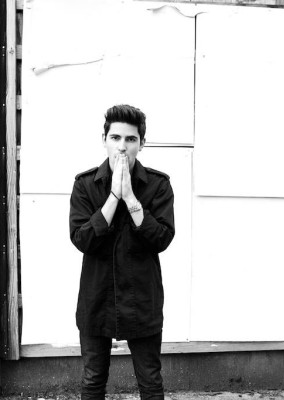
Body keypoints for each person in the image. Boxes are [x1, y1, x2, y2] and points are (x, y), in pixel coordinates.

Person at [69, 104, 175, 400]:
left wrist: (130, 197)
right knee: (93, 378)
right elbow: (82, 239)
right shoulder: (85, 185)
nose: (122, 146)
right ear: (104, 140)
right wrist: (114, 196)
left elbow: (162, 239)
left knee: (150, 379)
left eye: (130, 139)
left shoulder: (158, 185)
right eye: (115, 138)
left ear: (142, 143)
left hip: (142, 297)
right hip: (97, 297)